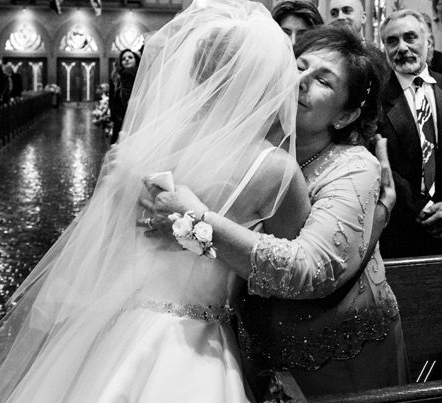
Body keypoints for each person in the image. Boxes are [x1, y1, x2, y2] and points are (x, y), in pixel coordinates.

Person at [0, 0, 319, 403]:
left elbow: (108, 241)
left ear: (192, 72)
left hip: (120, 324)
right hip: (196, 340)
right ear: (261, 79)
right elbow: (292, 267)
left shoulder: (139, 146)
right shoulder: (274, 169)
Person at [145, 24, 404, 397]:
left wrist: (198, 222)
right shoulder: (249, 144)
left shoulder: (354, 167)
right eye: (299, 65)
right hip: (258, 354)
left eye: (323, 81)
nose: (301, 80)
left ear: (345, 116)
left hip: (339, 362)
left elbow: (310, 268)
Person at [376, 10, 442, 257]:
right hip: (403, 232)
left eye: (410, 37)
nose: (402, 47)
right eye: (392, 41)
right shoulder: (375, 99)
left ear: (429, 42)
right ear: (384, 48)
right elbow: (376, 161)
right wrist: (422, 209)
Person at [108, 48, 140, 144]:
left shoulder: (141, 76)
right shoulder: (116, 78)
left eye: (130, 57)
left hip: (138, 121)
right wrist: (117, 119)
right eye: (123, 58)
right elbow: (112, 101)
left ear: (136, 60)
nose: (126, 59)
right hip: (121, 123)